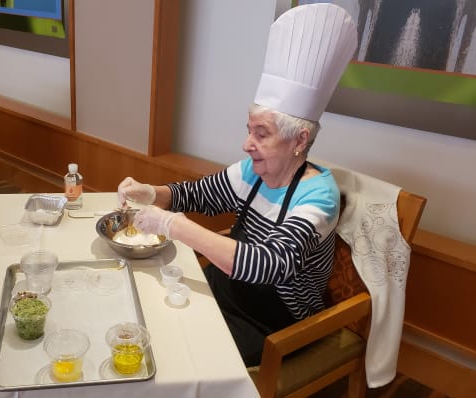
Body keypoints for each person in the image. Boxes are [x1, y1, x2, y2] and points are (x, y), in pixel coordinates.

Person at [117, 3, 358, 367]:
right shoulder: (253, 170)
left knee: (180, 357)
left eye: (261, 134)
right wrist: (153, 193)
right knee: (149, 322)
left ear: (299, 140)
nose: (247, 144)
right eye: (249, 131)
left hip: (274, 324)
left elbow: (269, 264)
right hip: (228, 289)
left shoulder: (318, 198)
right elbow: (198, 194)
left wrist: (173, 225)